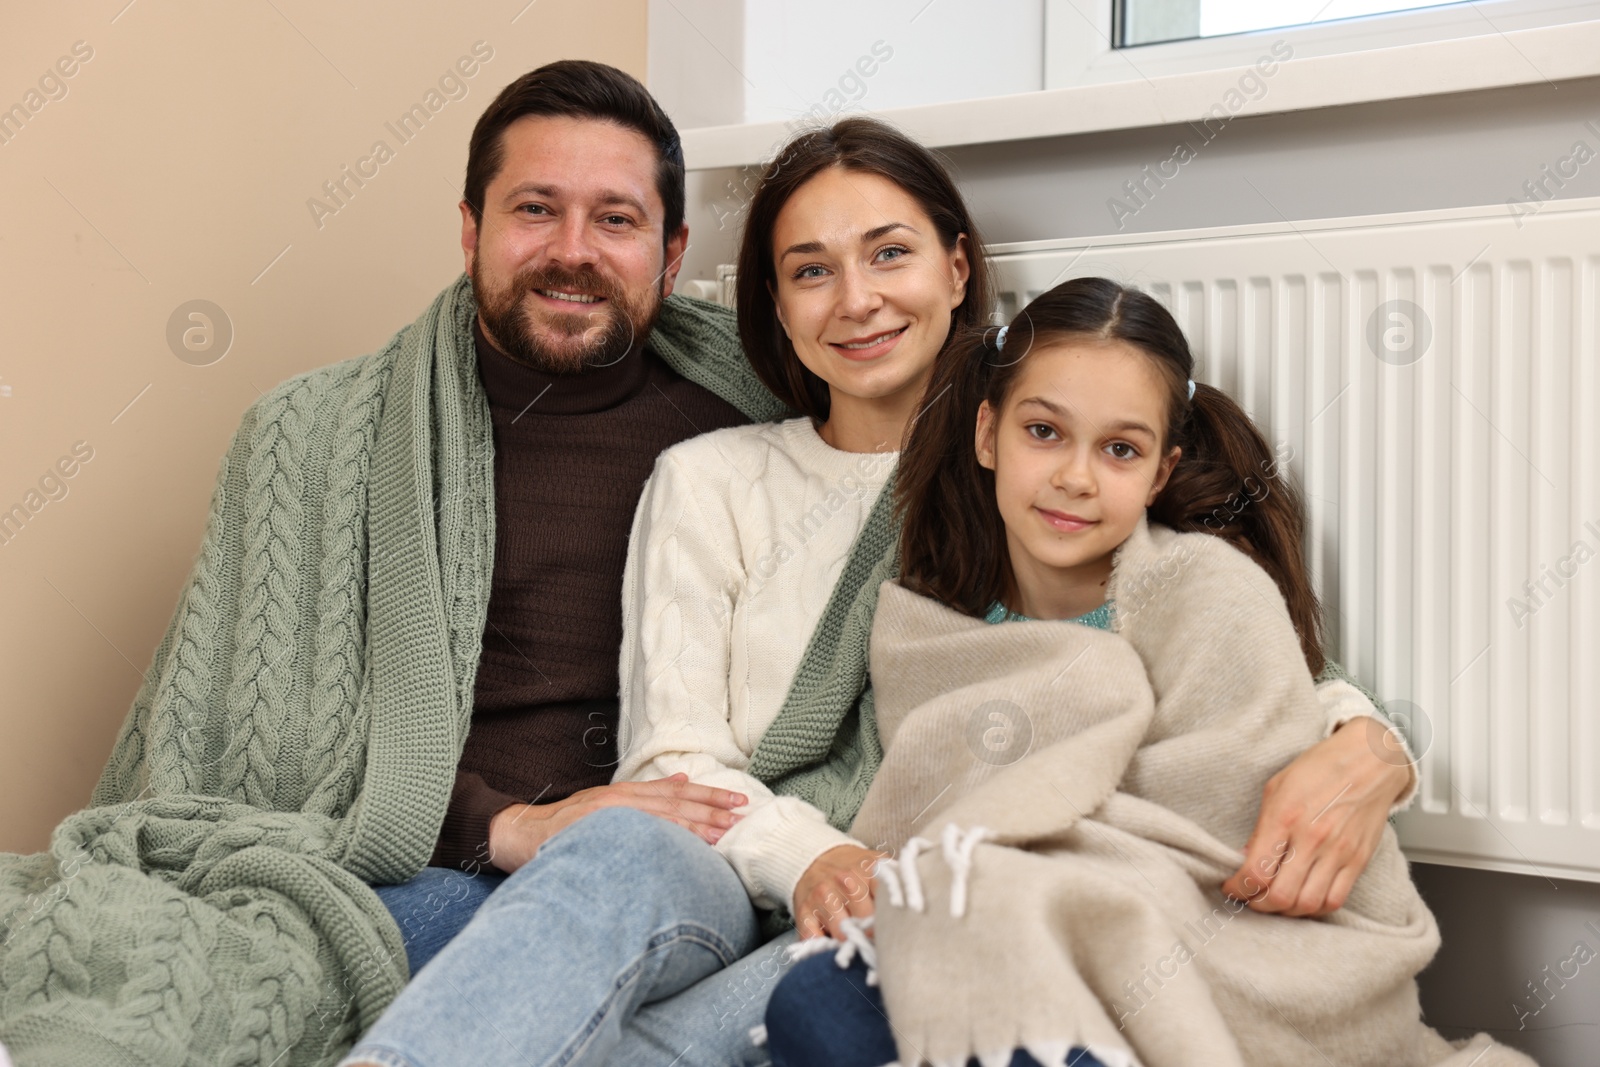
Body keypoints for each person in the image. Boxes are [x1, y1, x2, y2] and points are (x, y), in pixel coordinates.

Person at [349, 116, 1418, 1067]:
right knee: (617, 846)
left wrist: (1371, 743)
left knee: (759, 1016)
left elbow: (1237, 655)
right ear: (773, 301)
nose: (855, 299)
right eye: (810, 271)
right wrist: (814, 854)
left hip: (912, 884)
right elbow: (673, 757)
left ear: (957, 268)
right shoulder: (712, 477)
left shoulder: (1040, 469)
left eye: (889, 254)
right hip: (736, 854)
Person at [762, 278, 1530, 1067]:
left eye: (1119, 449)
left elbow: (1229, 810)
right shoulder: (925, 624)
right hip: (1012, 934)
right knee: (813, 1001)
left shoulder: (1208, 590)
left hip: (1199, 950)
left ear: (1160, 474)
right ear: (988, 435)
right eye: (1044, 432)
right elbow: (914, 812)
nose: (1077, 477)